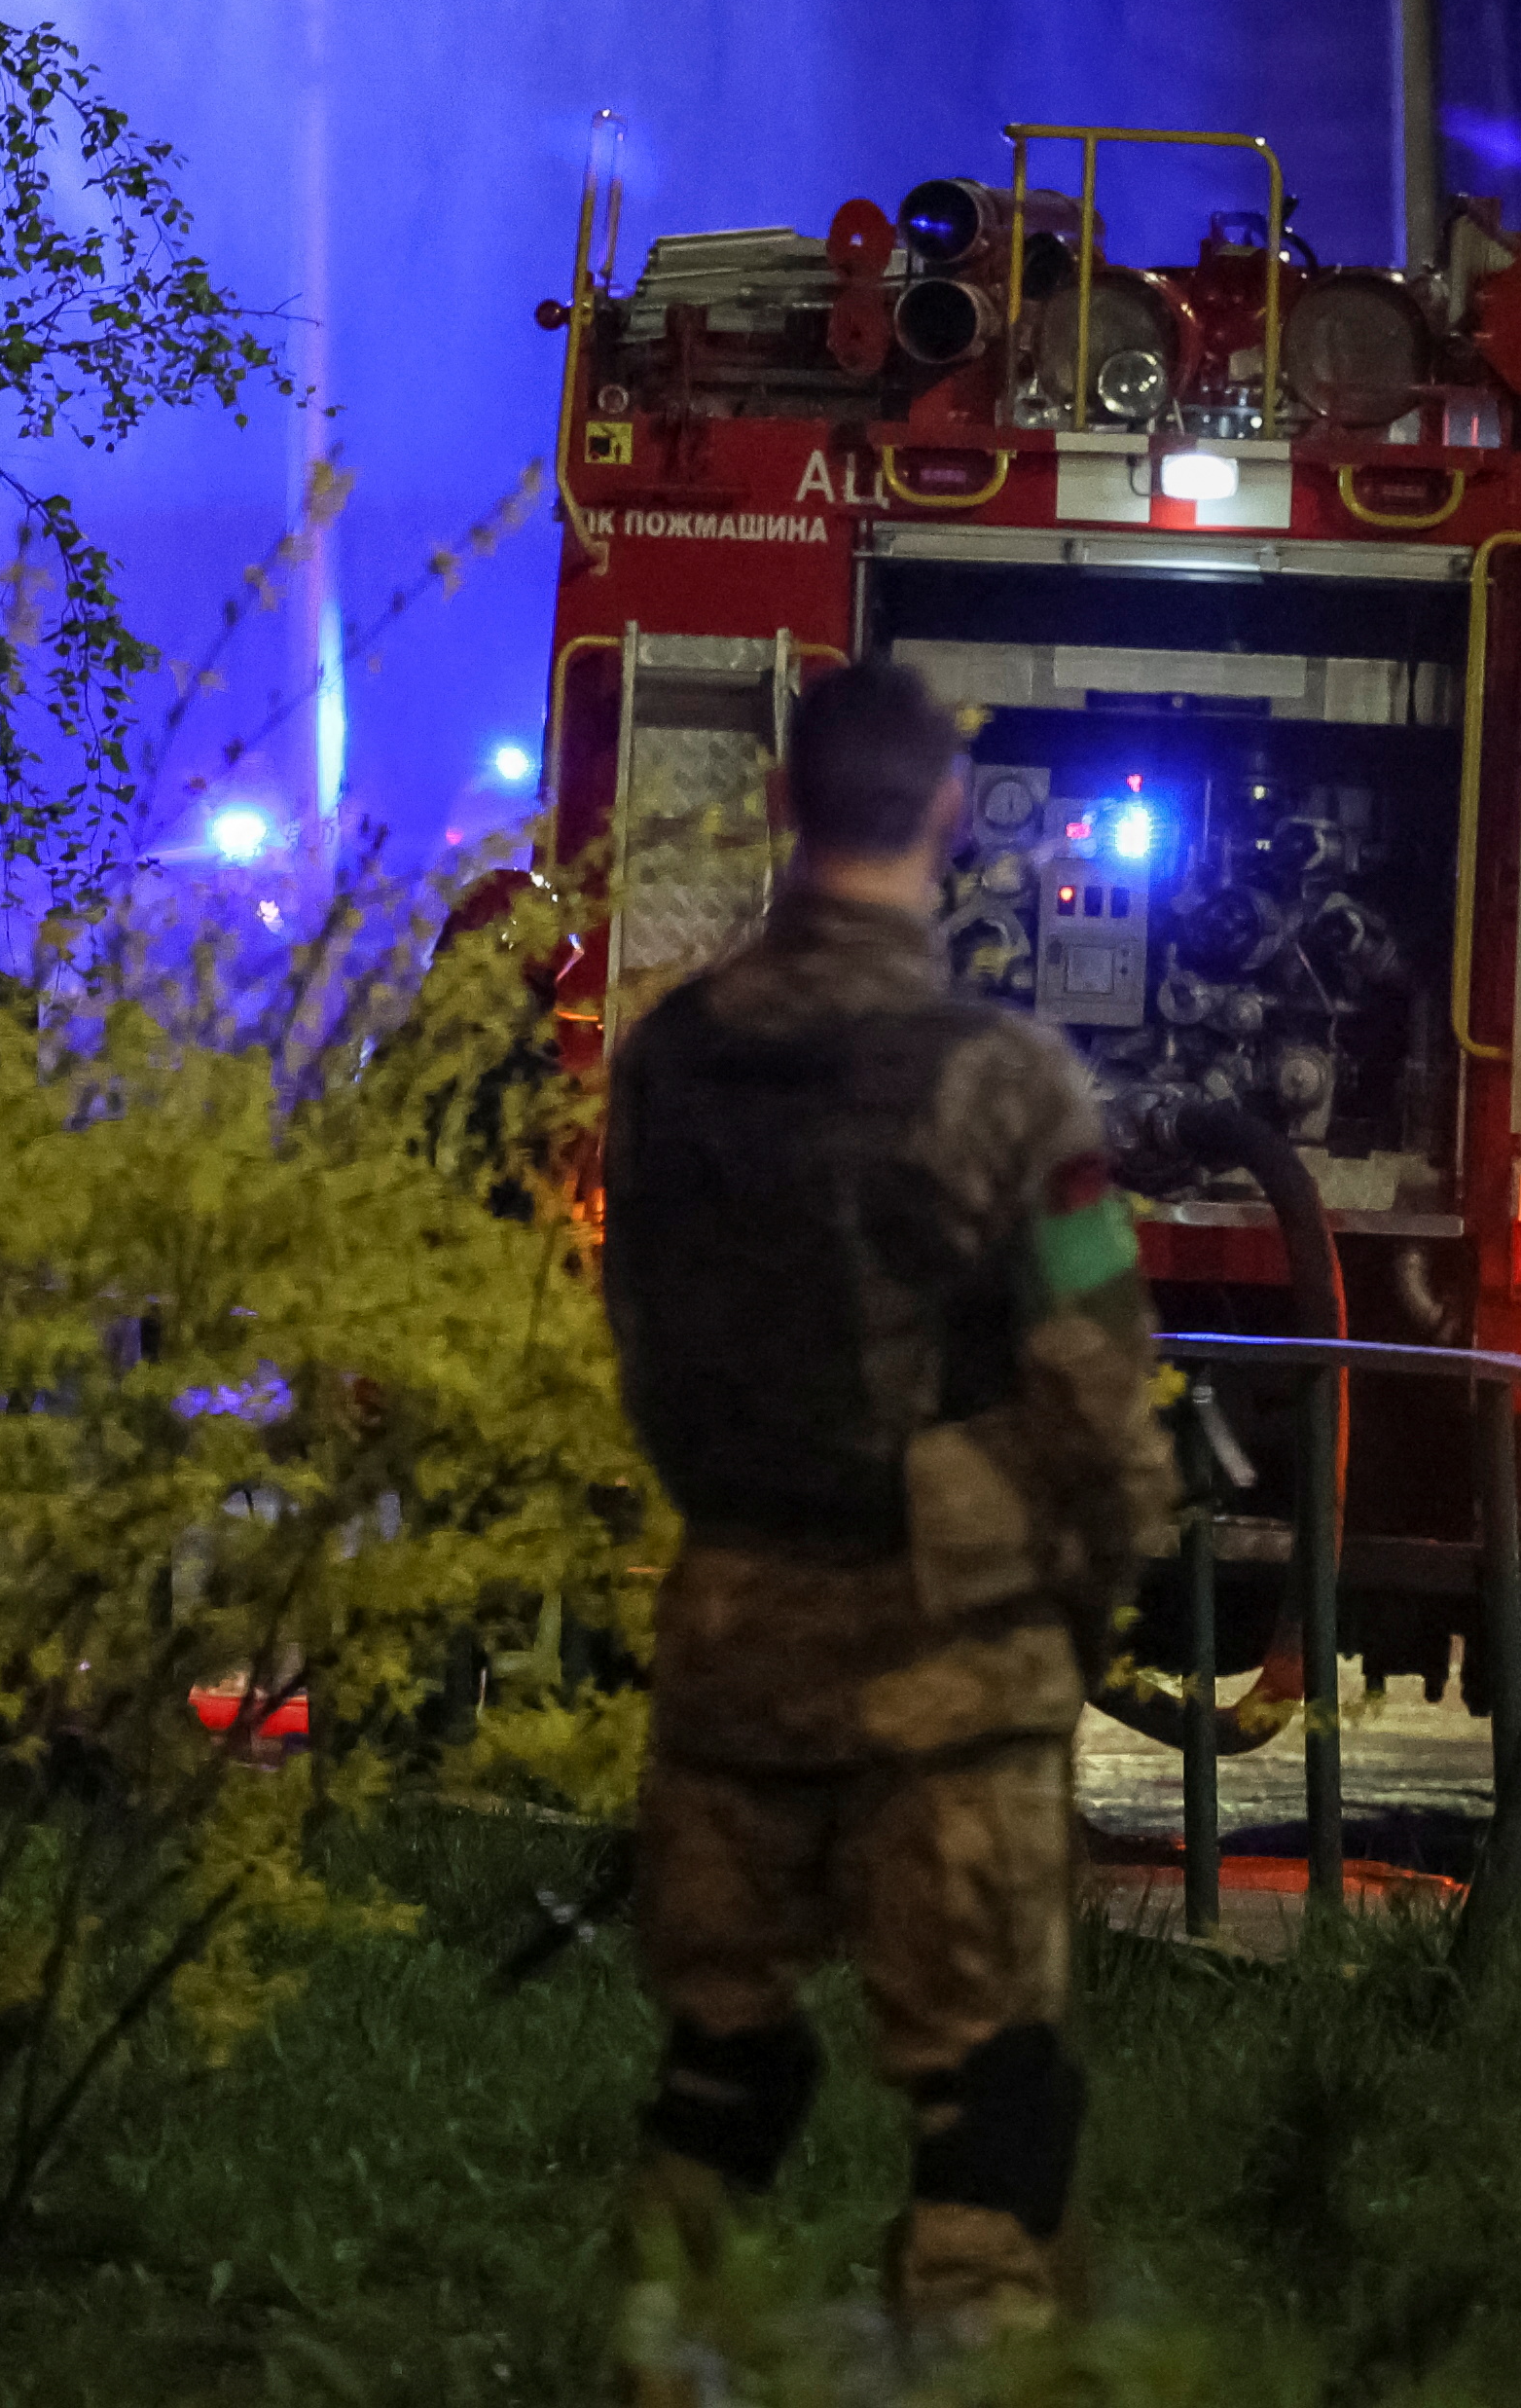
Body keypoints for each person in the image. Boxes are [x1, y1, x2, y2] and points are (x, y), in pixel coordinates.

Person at [599, 659, 1174, 2349]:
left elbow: (646, 1335)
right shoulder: (1005, 1084)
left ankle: (641, 2358)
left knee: (721, 2074)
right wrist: (1093, 1568)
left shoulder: (665, 1061)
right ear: (943, 818)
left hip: (728, 1647)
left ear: (780, 804)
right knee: (986, 2103)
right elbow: (1092, 1392)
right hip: (951, 1672)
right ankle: (972, 2372)